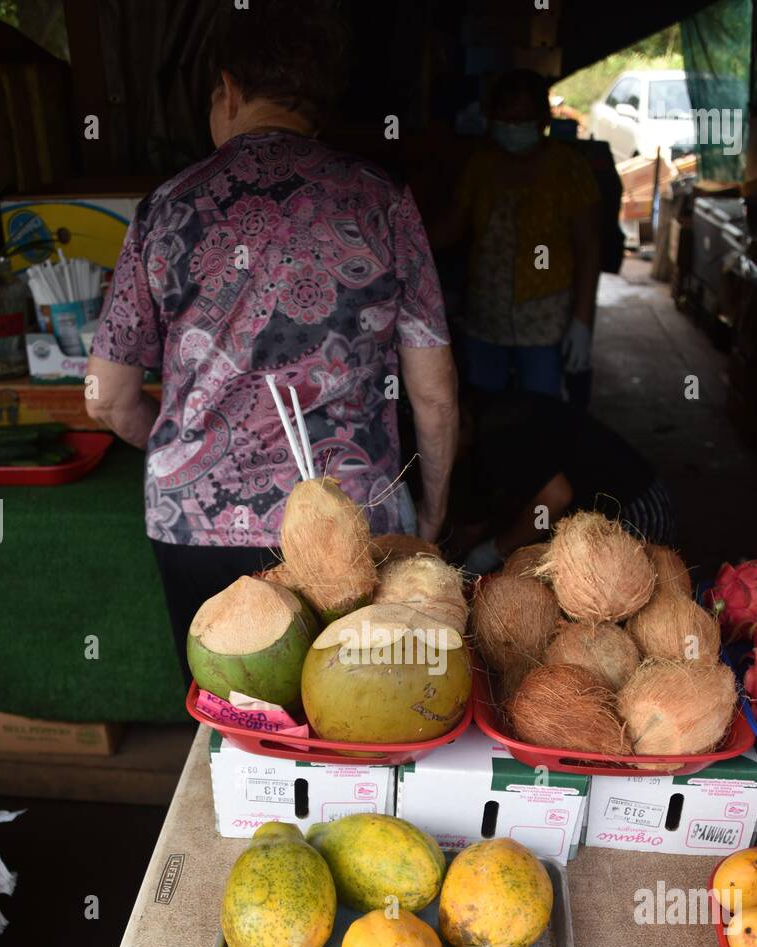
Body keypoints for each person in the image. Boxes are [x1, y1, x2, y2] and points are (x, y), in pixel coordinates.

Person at [86, 0, 457, 676]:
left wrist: (183, 450)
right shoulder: (380, 200)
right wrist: (428, 513)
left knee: (232, 713)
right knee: (358, 709)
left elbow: (107, 398)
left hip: (195, 524)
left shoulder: (166, 208)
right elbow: (432, 393)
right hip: (348, 521)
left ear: (226, 90)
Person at [433, 69, 601, 398]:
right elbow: (453, 225)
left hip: (544, 319)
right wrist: (404, 246)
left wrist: (582, 321)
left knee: (541, 412)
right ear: (492, 118)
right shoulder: (481, 165)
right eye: (507, 117)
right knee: (485, 408)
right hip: (486, 313)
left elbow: (589, 247)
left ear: (542, 119)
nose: (515, 125)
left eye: (524, 117)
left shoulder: (568, 168)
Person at [455, 388, 678, 572]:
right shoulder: (477, 423)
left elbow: (556, 498)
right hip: (594, 515)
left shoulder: (501, 431)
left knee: (598, 592)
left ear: (461, 419)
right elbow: (474, 520)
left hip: (640, 510)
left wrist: (494, 550)